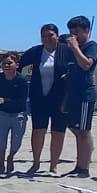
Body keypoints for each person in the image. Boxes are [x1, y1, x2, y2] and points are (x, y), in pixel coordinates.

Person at [19, 24, 66, 174]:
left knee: (58, 131)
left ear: (57, 36)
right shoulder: (35, 51)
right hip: (39, 97)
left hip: (60, 98)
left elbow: (76, 70)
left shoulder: (66, 51)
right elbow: (19, 67)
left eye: (50, 35)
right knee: (38, 130)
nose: (47, 38)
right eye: (44, 35)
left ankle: (54, 165)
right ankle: (36, 163)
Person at [59, 16, 97, 178]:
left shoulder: (91, 46)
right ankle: (80, 163)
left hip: (85, 94)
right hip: (72, 94)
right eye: (71, 33)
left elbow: (86, 64)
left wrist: (75, 47)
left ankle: (84, 167)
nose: (73, 36)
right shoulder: (70, 50)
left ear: (86, 31)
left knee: (83, 130)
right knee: (75, 128)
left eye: (77, 33)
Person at [0, 53, 29, 175]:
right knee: (0, 142)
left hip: (18, 114)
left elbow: (22, 100)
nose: (6, 65)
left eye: (9, 63)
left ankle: (11, 157)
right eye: (4, 63)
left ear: (17, 65)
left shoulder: (22, 80)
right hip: (2, 114)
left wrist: (5, 100)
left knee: (16, 143)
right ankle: (1, 166)